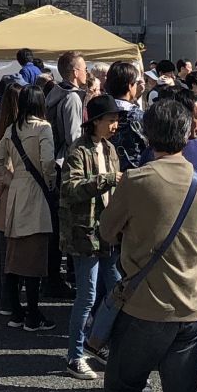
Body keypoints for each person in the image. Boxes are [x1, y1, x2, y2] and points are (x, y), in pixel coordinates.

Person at [98, 96, 197, 392]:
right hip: (191, 304)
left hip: (146, 305)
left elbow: (106, 230)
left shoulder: (138, 179)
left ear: (148, 134)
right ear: (186, 133)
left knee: (122, 391)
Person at [59, 94, 125, 377]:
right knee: (87, 296)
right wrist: (107, 180)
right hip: (84, 233)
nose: (115, 125)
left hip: (108, 231)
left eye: (117, 120)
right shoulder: (78, 150)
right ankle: (74, 356)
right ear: (96, 121)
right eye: (111, 120)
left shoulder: (110, 149)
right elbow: (70, 188)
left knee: (118, 290)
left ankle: (96, 343)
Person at [0, 82, 56, 330]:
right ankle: (33, 314)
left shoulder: (12, 129)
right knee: (35, 256)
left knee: (13, 257)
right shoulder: (43, 128)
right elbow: (48, 162)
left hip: (16, 194)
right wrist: (50, 183)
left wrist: (10, 179)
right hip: (36, 194)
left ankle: (16, 311)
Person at [52, 51, 89, 157]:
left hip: (57, 154)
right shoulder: (72, 98)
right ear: (75, 73)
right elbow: (74, 138)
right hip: (69, 158)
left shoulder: (56, 92)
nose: (87, 73)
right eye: (85, 69)